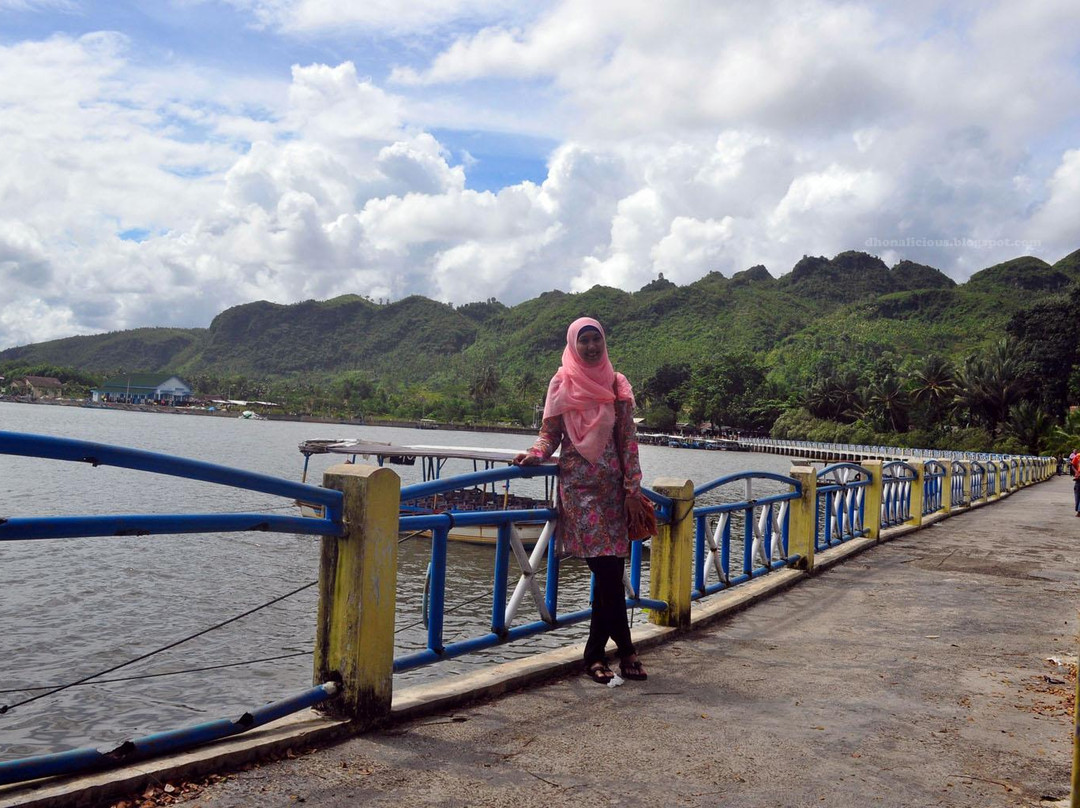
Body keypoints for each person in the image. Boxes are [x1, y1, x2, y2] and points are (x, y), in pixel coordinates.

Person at [514, 317, 648, 684]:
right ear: (574, 344)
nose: (591, 347)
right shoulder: (562, 383)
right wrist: (536, 454)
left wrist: (632, 490)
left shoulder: (617, 385)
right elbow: (550, 434)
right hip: (579, 491)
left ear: (604, 343)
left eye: (596, 340)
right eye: (584, 341)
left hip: (612, 492)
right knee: (607, 572)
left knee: (609, 574)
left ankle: (598, 655)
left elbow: (628, 443)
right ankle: (623, 652)